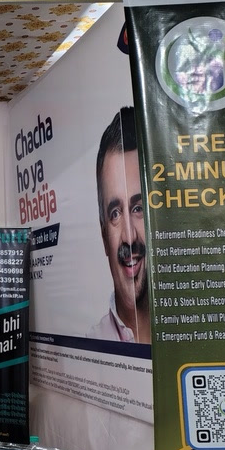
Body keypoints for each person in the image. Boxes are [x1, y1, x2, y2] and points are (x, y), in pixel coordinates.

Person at [87, 107, 150, 344]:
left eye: (138, 208)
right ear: (104, 236)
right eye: (115, 213)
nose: (129, 237)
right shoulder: (93, 347)